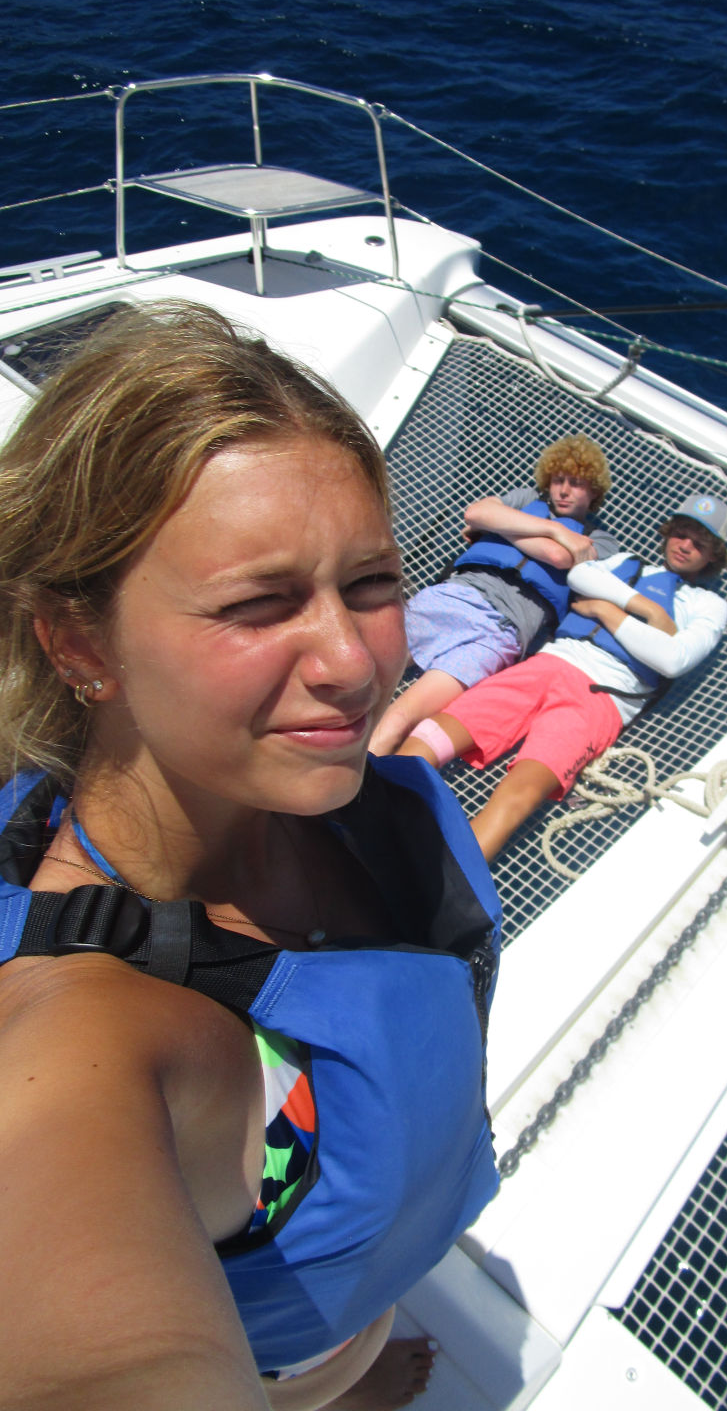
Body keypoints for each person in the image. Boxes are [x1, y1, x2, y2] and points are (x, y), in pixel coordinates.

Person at [0, 301, 501, 1411]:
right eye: (259, 605)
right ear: (80, 643)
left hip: (359, 1289)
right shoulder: (85, 1030)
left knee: (363, 1347)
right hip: (276, 1372)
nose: (352, 662)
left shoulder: (352, 802)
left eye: (371, 584)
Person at [400, 494, 727, 862]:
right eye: (681, 534)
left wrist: (604, 610)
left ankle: (441, 885)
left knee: (520, 794)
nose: (685, 546)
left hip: (600, 697)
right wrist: (649, 612)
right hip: (548, 663)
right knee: (430, 735)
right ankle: (377, 818)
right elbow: (580, 575)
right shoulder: (623, 562)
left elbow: (672, 659)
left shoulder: (709, 605)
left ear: (713, 556)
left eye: (699, 543)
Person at [369, 434, 616, 755]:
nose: (564, 491)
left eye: (577, 483)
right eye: (558, 480)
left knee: (400, 718)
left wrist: (497, 528)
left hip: (498, 633)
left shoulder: (602, 542)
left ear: (594, 490)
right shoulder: (527, 498)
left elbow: (559, 557)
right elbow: (475, 513)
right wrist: (555, 530)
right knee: (366, 673)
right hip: (453, 597)